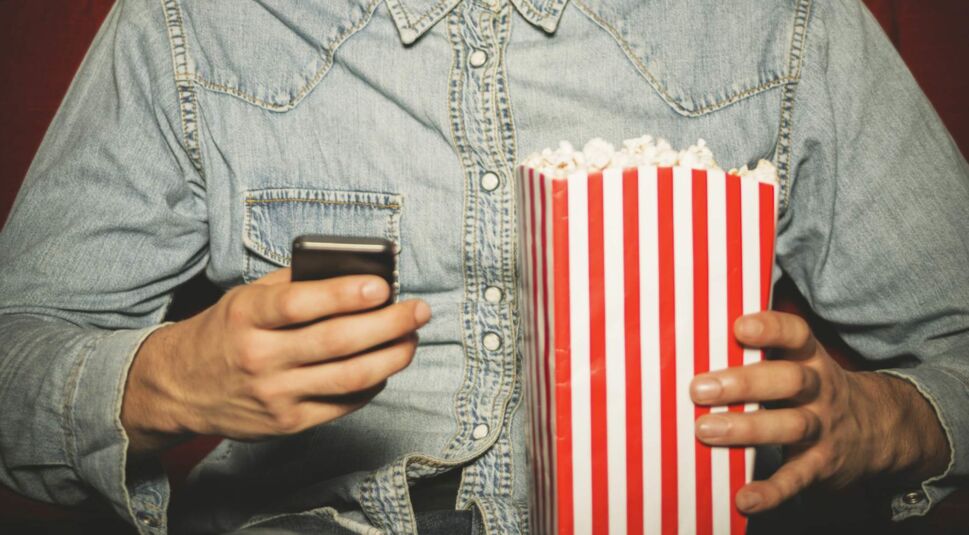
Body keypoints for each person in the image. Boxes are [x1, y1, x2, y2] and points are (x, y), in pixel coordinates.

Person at [0, 0, 966, 533]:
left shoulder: (784, 21)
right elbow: (16, 349)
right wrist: (160, 380)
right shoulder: (189, 25)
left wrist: (896, 419)